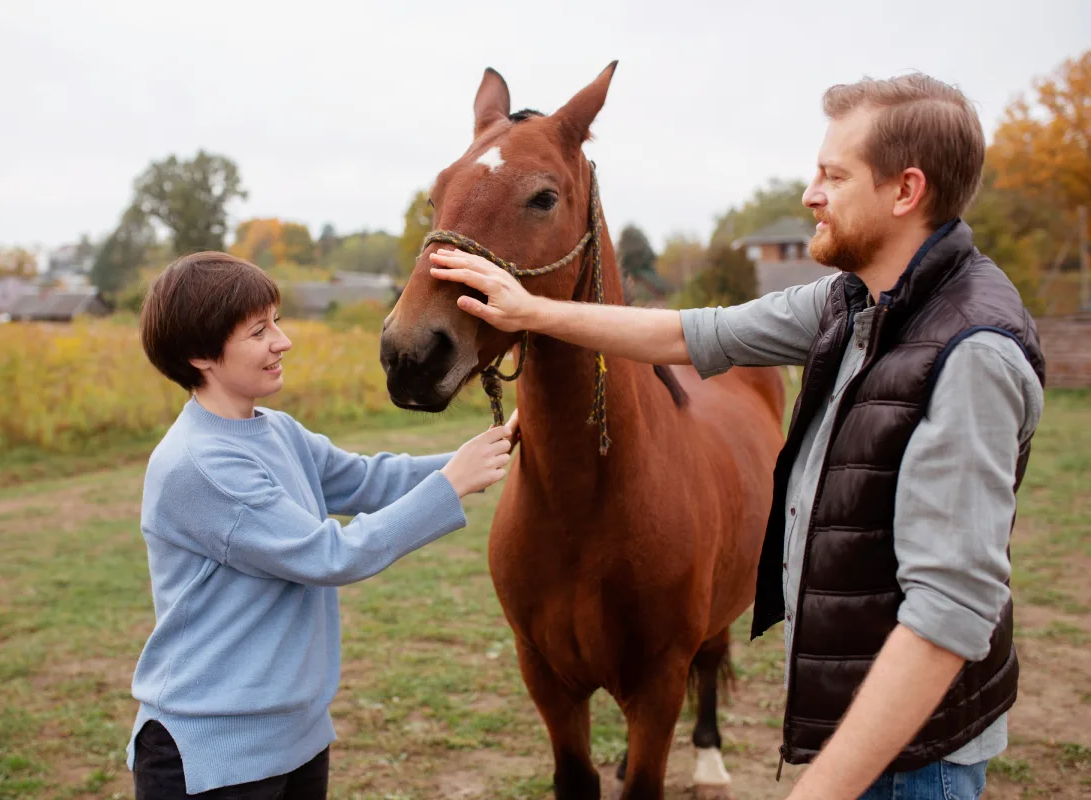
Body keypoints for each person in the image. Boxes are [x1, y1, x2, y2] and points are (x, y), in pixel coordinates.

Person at [429, 74, 1044, 800]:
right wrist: (531, 310)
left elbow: (949, 616)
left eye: (832, 176)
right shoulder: (858, 301)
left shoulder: (971, 351)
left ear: (905, 191)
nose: (810, 194)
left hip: (916, 757)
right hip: (859, 720)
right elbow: (699, 332)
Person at [127, 251, 517, 799]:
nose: (282, 342)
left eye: (277, 323)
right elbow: (328, 556)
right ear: (199, 354)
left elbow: (365, 480)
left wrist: (486, 452)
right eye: (259, 331)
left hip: (297, 735)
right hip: (214, 755)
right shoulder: (201, 464)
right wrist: (452, 484)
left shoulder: (276, 430)